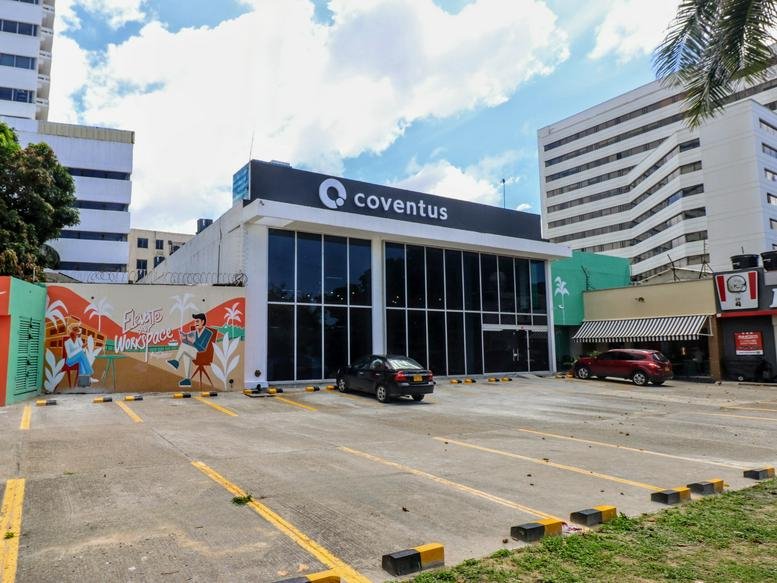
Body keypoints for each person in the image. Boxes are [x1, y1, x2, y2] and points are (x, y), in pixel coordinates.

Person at [167, 313, 213, 387]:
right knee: (185, 354)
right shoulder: (194, 333)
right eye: (195, 322)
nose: (195, 323)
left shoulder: (208, 333)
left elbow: (202, 348)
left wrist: (193, 341)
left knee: (184, 347)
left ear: (203, 322)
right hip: (194, 352)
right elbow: (189, 344)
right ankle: (187, 379)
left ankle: (176, 361)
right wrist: (184, 338)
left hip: (203, 354)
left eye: (197, 321)